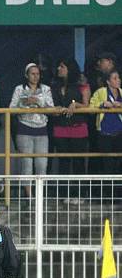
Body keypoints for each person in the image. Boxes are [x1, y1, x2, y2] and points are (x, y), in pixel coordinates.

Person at [9, 63, 54, 197]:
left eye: (37, 74)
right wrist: (24, 103)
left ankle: (39, 195)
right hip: (24, 129)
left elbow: (51, 108)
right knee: (27, 164)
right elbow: (11, 109)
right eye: (32, 74)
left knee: (41, 164)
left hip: (41, 130)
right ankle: (29, 196)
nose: (35, 76)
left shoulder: (46, 89)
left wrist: (39, 103)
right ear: (26, 75)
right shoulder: (19, 89)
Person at [51, 58, 90, 203]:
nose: (59, 69)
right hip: (60, 127)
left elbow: (88, 105)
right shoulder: (54, 86)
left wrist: (76, 105)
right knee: (63, 162)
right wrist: (56, 109)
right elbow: (51, 104)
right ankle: (64, 194)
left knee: (79, 162)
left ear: (69, 68)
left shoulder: (82, 86)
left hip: (78, 128)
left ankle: (80, 194)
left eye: (62, 66)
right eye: (58, 66)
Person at [90, 69, 122, 173]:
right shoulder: (101, 92)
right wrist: (102, 104)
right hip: (105, 133)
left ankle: (118, 189)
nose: (118, 80)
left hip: (120, 133)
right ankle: (107, 188)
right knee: (106, 164)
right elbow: (91, 106)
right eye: (115, 78)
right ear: (108, 82)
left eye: (118, 78)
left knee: (119, 163)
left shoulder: (121, 92)